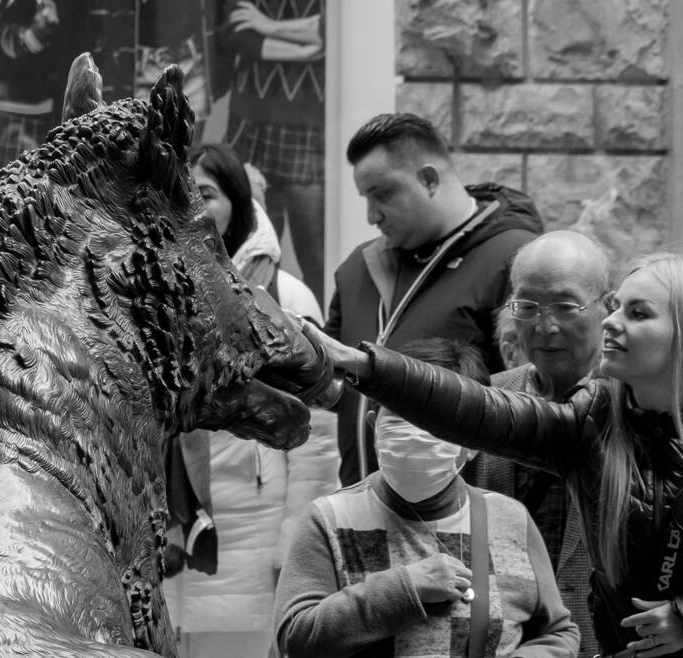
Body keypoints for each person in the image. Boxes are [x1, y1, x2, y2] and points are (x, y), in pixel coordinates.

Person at [309, 252, 683, 657]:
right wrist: (364, 366)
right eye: (614, 307)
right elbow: (477, 410)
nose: (611, 322)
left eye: (638, 313)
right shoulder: (591, 423)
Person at [274, 338, 578, 657]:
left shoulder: (510, 519)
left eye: (436, 420)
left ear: (475, 440)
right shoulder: (329, 519)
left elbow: (557, 633)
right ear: (373, 426)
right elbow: (295, 639)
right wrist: (405, 589)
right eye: (400, 414)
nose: (416, 430)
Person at [163, 143, 339, 658]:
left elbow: (317, 436)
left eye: (208, 193)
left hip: (254, 531)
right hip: (170, 533)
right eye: (183, 191)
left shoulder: (285, 297)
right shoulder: (151, 292)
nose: (193, 203)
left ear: (237, 203)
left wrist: (296, 539)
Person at [325, 112, 543, 487]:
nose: (371, 214)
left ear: (428, 179)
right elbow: (330, 382)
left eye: (382, 194)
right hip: (357, 509)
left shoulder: (514, 259)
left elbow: (528, 401)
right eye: (365, 198)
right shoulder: (358, 268)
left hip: (456, 518)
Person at [462, 230, 610, 657]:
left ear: (607, 306)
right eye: (527, 307)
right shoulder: (486, 402)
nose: (545, 327)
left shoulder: (638, 409)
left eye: (566, 306)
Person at [221, 0, 327, 302]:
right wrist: (306, 50)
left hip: (308, 124)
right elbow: (237, 35)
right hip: (252, 123)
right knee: (251, 252)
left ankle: (322, 337)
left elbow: (331, 33)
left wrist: (268, 26)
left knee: (318, 253)